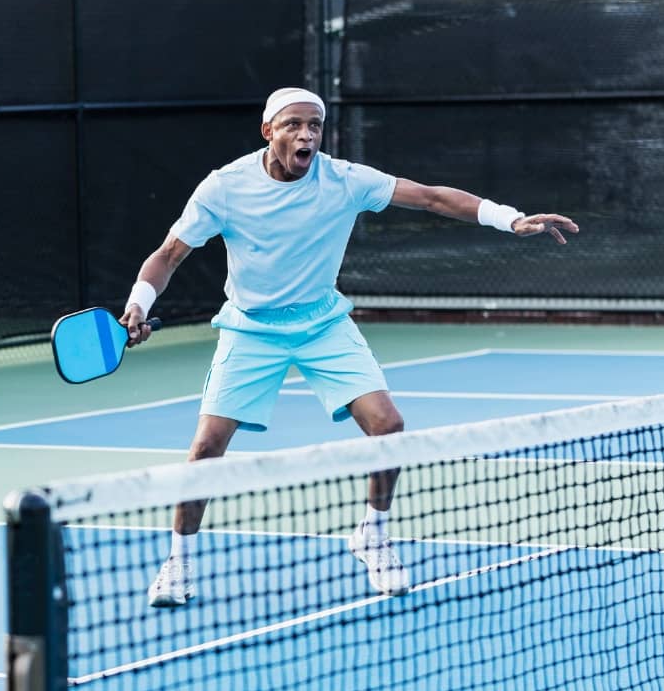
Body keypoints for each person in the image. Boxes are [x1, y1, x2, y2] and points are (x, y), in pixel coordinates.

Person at [121, 87, 578, 608]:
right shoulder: (224, 188)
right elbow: (168, 254)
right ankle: (177, 564)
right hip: (250, 329)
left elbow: (430, 196)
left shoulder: (344, 180)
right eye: (294, 124)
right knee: (205, 449)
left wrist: (508, 218)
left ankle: (374, 536)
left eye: (315, 126)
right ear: (269, 131)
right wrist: (139, 301)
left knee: (388, 426)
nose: (307, 135)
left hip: (322, 324)